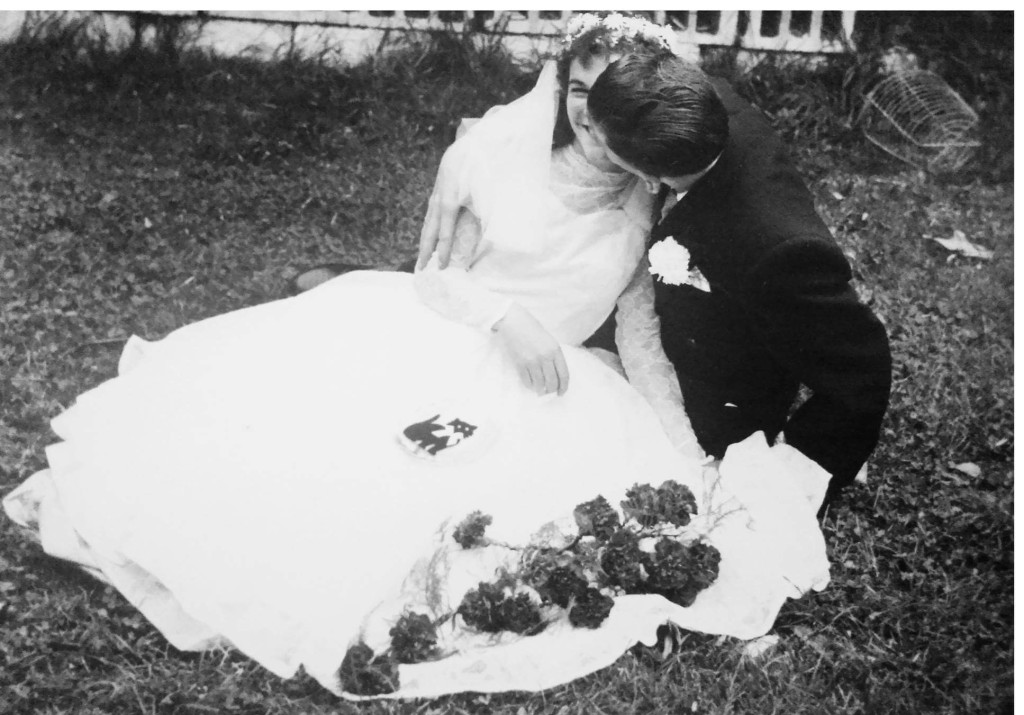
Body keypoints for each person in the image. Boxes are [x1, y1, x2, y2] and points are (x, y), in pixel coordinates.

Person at [3, 15, 832, 699]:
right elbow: (438, 276)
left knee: (515, 512)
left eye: (606, 98)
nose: (589, 116)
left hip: (557, 384)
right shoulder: (498, 158)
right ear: (560, 87)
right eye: (578, 92)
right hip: (449, 336)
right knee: (338, 475)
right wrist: (507, 316)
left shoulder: (645, 192)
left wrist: (682, 450)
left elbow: (640, 332)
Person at [420, 44, 892, 510]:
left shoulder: (773, 245)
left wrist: (783, 478)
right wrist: (462, 156)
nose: (588, 118)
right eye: (580, 91)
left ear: (647, 177)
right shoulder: (683, 100)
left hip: (722, 373)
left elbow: (862, 374)